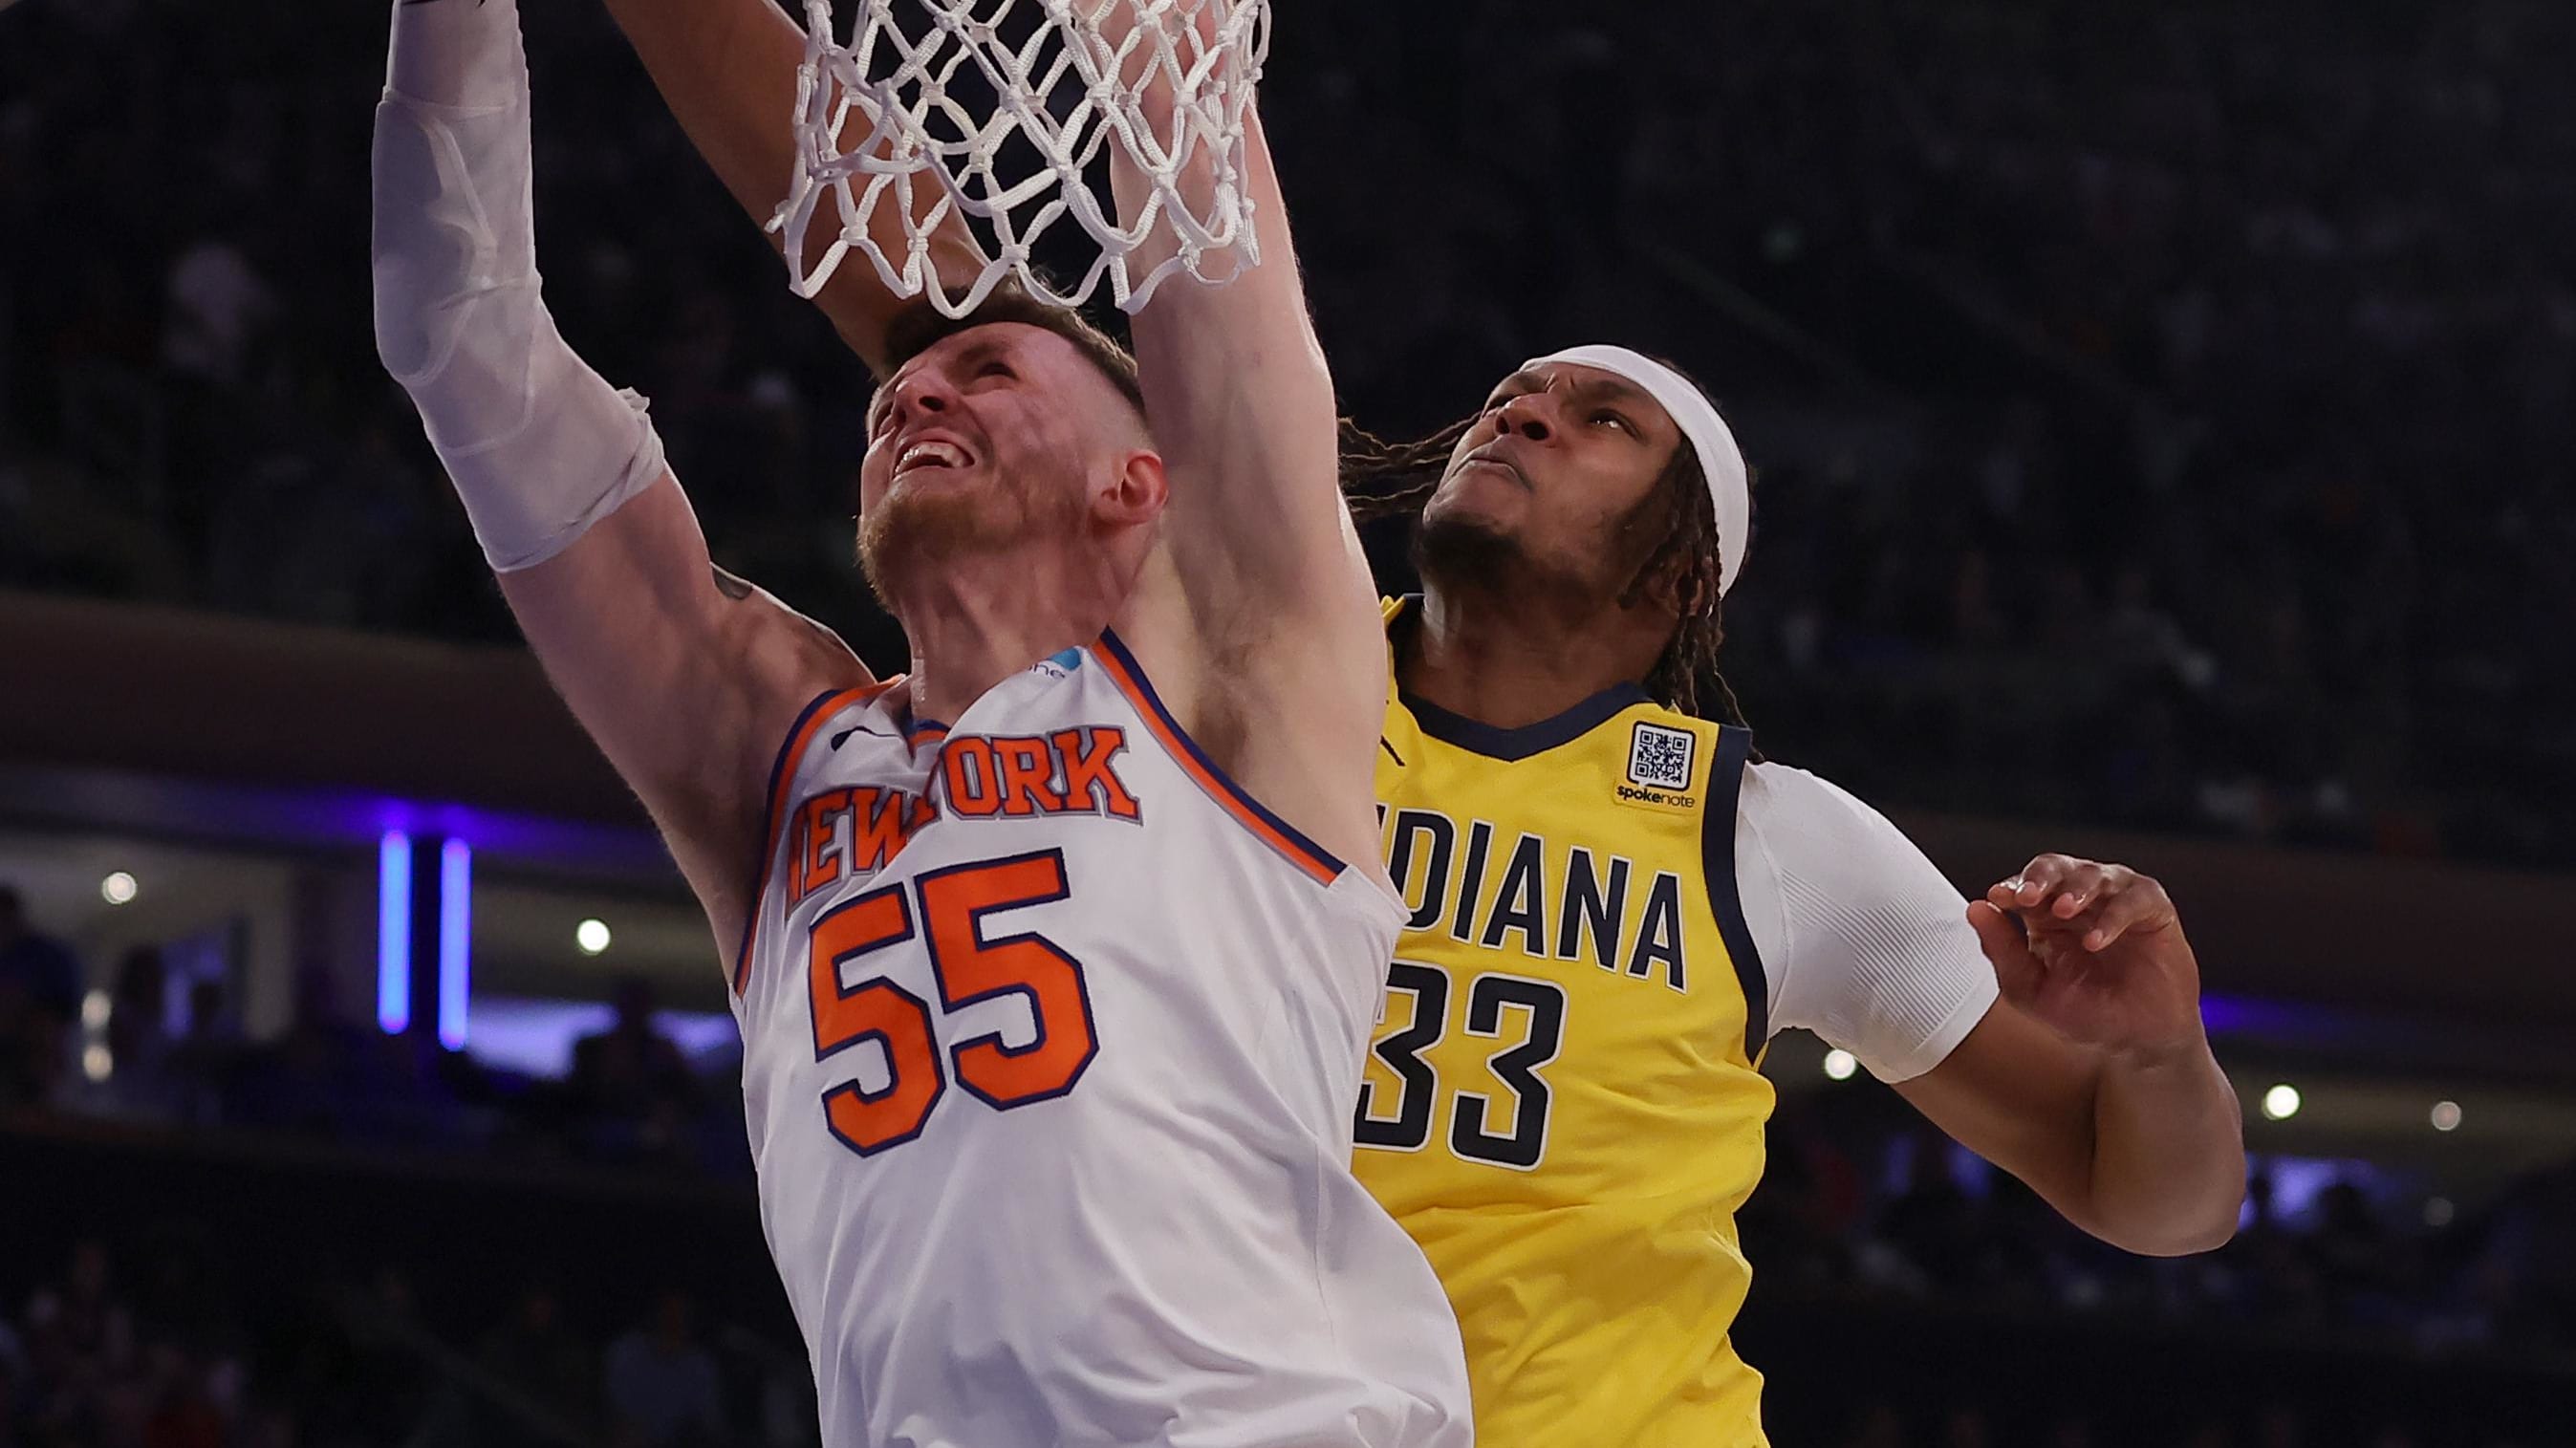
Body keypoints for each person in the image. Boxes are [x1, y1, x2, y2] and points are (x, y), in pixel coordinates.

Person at [578, 11, 2244, 1448]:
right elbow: (923, 289)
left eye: (1603, 423)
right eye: (1525, 388)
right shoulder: (1233, 685)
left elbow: (2147, 1196)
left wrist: (2163, 1056)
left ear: (1679, 580)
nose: (1526, 408)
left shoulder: (1767, 840)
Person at [371, 2, 1466, 1446]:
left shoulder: (1236, 684)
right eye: (902, 390)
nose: (913, 392)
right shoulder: (777, 757)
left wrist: (1154, 38)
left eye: (989, 374)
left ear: (1138, 482)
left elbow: (1210, 245)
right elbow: (458, 336)